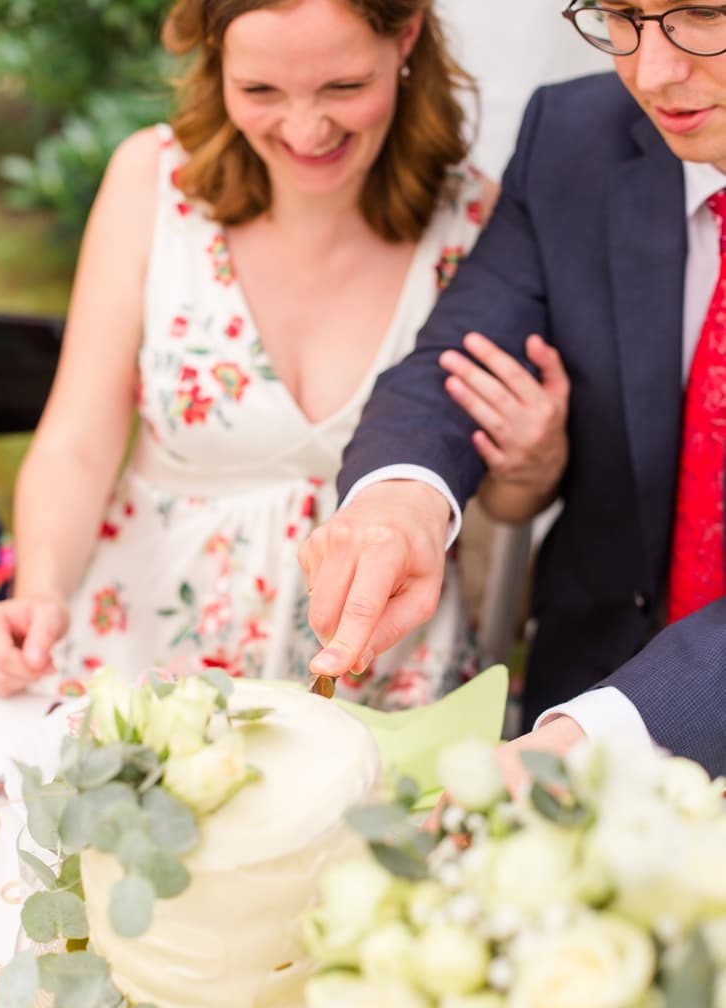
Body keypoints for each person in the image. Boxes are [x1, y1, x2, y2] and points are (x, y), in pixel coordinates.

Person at [0, 0, 560, 708]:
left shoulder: (478, 223)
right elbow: (77, 441)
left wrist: (535, 467)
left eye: (343, 89)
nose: (305, 128)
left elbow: (495, 496)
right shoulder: (152, 181)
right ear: (216, 59)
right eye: (260, 91)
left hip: (382, 685)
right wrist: (39, 593)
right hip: (147, 664)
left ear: (406, 34)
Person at [299, 0, 726, 776]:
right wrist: (402, 502)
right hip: (582, 679)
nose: (652, 71)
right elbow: (457, 360)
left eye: (703, 14)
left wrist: (586, 743)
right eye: (624, 13)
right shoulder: (572, 136)